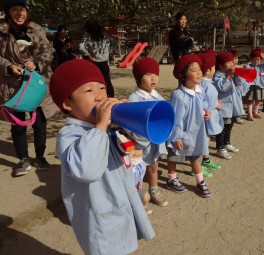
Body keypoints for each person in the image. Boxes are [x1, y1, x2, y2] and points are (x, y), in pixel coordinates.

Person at [49, 59, 155, 255]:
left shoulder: (109, 126)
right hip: (101, 215)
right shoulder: (70, 134)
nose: (99, 96)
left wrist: (130, 118)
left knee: (125, 245)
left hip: (122, 201)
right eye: (88, 91)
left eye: (102, 88)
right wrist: (100, 127)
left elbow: (143, 144)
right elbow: (86, 170)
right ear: (67, 103)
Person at [0, 0, 58, 177]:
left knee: (40, 123)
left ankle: (40, 156)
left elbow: (48, 51)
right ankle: (23, 158)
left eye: (22, 10)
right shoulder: (2, 32)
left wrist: (37, 63)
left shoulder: (36, 30)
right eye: (14, 10)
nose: (19, 13)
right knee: (17, 124)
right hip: (13, 85)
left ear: (26, 11)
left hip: (36, 84)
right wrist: (9, 65)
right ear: (9, 12)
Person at [166, 54, 211, 198]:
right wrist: (175, 136)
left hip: (197, 131)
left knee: (196, 155)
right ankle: (172, 178)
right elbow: (175, 117)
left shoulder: (200, 90)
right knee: (174, 155)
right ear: (183, 75)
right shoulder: (179, 95)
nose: (199, 72)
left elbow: (204, 104)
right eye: (193, 70)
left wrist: (206, 112)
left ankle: (200, 181)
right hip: (182, 132)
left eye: (199, 69)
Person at [129, 57, 168, 207]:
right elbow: (131, 124)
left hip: (154, 141)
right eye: (148, 74)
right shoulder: (134, 98)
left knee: (153, 167)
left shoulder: (158, 96)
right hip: (139, 143)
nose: (153, 78)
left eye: (156, 74)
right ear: (138, 78)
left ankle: (154, 190)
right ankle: (138, 196)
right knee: (137, 169)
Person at [197, 52, 222, 176]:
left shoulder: (203, 83)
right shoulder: (206, 84)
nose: (215, 69)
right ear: (207, 70)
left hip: (206, 115)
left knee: (205, 138)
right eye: (213, 67)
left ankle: (205, 159)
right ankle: (198, 164)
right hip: (207, 115)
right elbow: (208, 100)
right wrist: (217, 104)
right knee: (204, 139)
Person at [213, 51, 240, 159]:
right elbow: (222, 88)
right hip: (223, 107)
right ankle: (220, 148)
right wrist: (228, 76)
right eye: (228, 63)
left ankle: (227, 143)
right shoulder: (217, 76)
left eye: (232, 62)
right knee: (222, 127)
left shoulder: (228, 74)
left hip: (231, 106)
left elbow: (240, 84)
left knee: (229, 125)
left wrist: (237, 76)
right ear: (220, 65)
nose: (232, 65)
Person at [78, 19, 116, 97]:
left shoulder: (87, 36)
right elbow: (114, 43)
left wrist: (88, 55)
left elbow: (81, 47)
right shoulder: (105, 35)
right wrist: (109, 52)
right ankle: (111, 97)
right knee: (107, 81)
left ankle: (96, 97)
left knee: (94, 81)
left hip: (93, 62)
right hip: (104, 62)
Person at [244, 48, 264, 121]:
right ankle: (249, 114)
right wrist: (248, 62)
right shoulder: (249, 66)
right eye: (254, 59)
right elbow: (245, 68)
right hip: (251, 86)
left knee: (258, 100)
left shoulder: (263, 66)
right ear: (251, 59)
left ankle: (255, 112)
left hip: (261, 86)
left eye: (258, 59)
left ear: (261, 59)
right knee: (250, 100)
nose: (256, 61)